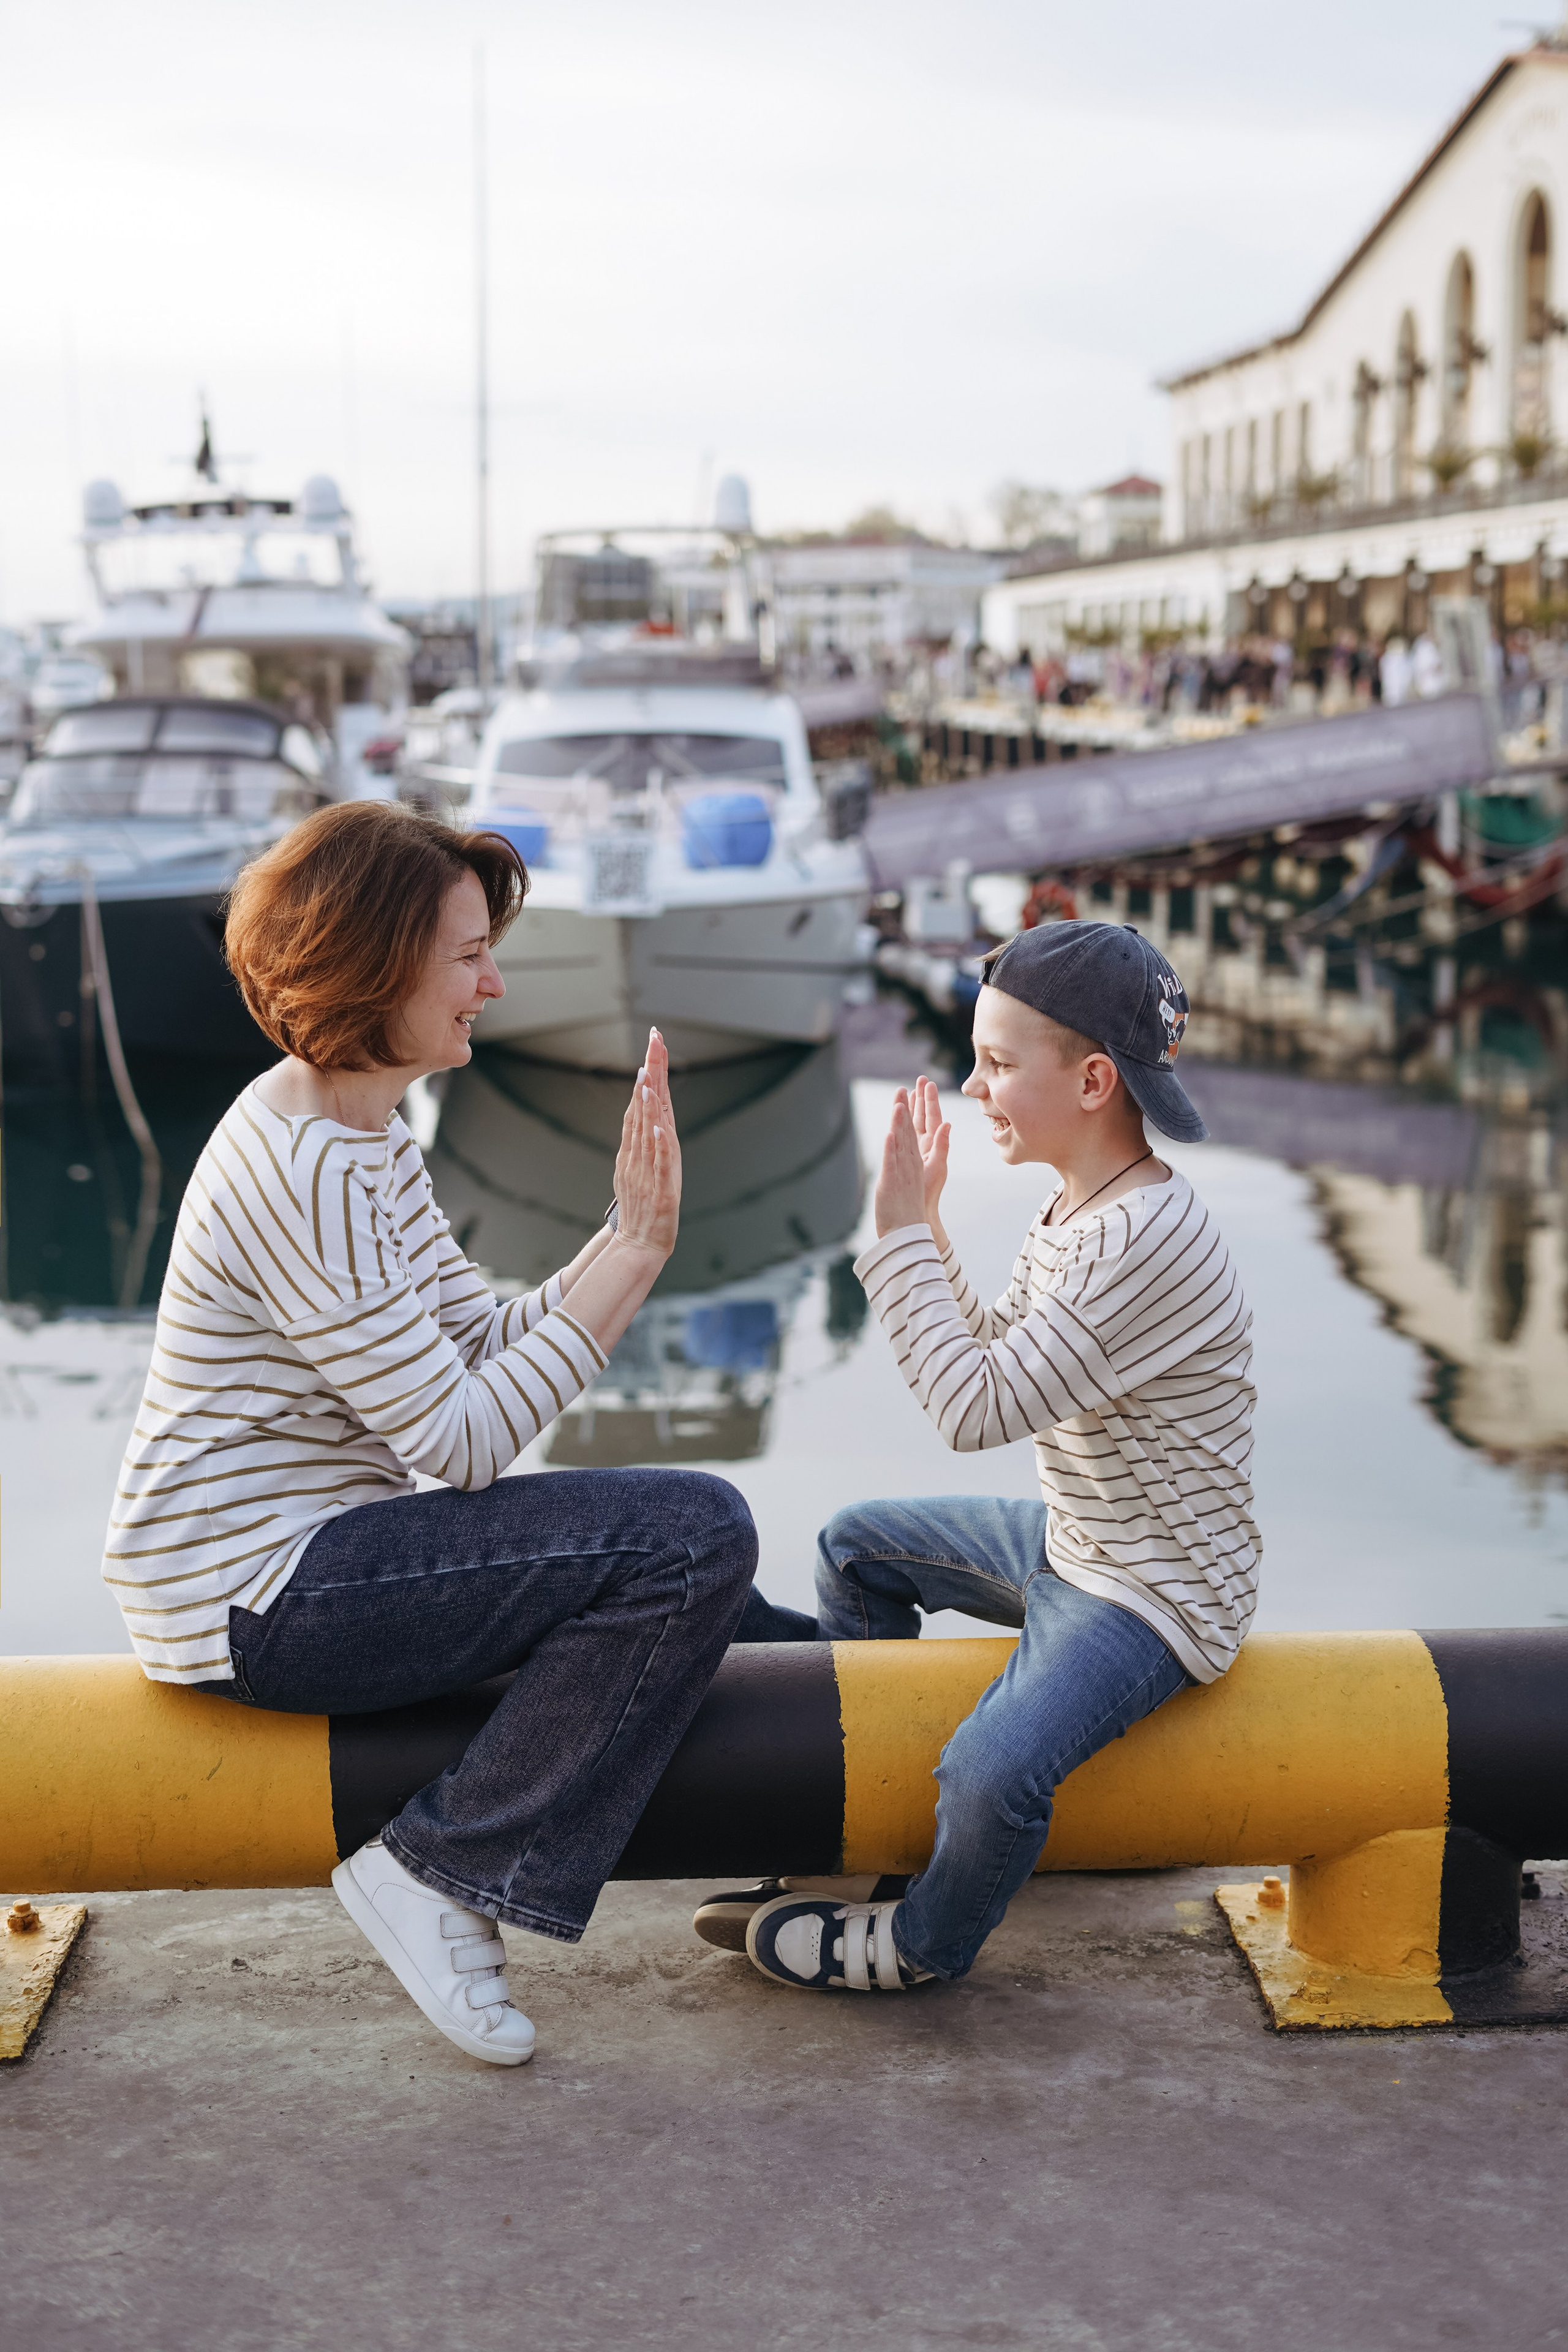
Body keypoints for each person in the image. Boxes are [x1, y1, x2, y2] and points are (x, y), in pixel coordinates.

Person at [102, 800, 810, 2067]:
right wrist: (635, 1257)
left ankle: (884, 1808)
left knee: (743, 1613)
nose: (494, 983)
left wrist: (618, 1240)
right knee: (695, 1534)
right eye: (469, 955)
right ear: (376, 966)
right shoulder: (308, 1169)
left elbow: (477, 1345)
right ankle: (438, 1867)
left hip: (324, 1557)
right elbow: (462, 1441)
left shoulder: (363, 1131)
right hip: (257, 1596)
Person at [706, 921, 1260, 1993]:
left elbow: (975, 1408)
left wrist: (900, 1239)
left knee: (990, 1773)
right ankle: (858, 1814)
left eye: (997, 1064)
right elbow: (1003, 1349)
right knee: (856, 1547)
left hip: (1154, 1591)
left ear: (1093, 1081)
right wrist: (929, 1234)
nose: (973, 1087)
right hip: (1082, 1541)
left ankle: (926, 1943)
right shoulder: (1085, 1205)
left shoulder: (1144, 1239)